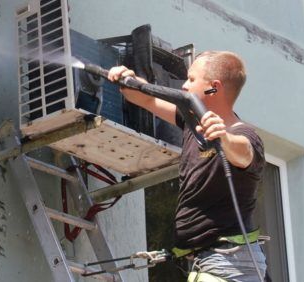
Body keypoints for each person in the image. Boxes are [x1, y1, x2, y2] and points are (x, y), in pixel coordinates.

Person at [108, 51, 267, 281]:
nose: (183, 85)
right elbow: (147, 99)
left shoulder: (243, 134)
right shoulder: (191, 122)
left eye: (192, 79)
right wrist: (127, 79)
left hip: (229, 263)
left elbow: (244, 153)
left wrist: (224, 138)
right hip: (210, 261)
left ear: (214, 88)